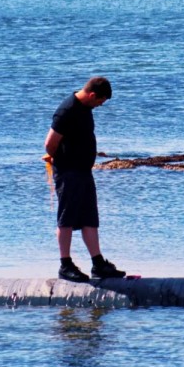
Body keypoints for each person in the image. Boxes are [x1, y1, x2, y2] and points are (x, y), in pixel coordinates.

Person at [44, 76, 127, 282]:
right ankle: (65, 265)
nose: (100, 105)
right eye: (100, 101)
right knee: (67, 218)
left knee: (90, 217)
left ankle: (98, 264)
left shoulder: (86, 108)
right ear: (92, 95)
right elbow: (49, 144)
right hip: (68, 172)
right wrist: (61, 161)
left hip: (83, 171)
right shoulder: (67, 110)